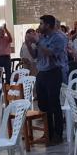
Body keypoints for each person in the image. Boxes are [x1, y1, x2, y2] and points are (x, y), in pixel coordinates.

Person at [31, 14, 68, 144]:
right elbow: (35, 55)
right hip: (42, 72)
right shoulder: (42, 37)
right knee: (43, 104)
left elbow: (50, 53)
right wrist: (28, 43)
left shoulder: (59, 37)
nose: (39, 26)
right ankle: (48, 133)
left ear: (47, 25)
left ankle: (57, 135)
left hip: (53, 72)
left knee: (54, 104)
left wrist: (37, 42)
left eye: (41, 24)